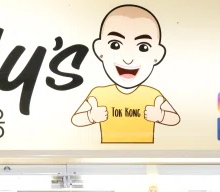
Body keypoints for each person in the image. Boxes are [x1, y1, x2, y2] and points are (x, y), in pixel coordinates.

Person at [71, 4, 180, 143]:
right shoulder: (98, 94)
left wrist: (161, 116)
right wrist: (91, 117)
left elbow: (175, 118)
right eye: (115, 45)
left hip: (147, 156)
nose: (128, 59)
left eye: (143, 47)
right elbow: (76, 119)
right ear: (100, 50)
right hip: (106, 156)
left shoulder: (153, 95)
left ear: (157, 55)